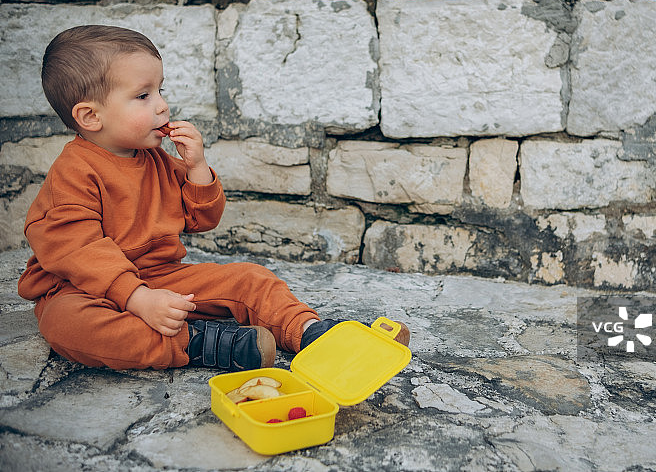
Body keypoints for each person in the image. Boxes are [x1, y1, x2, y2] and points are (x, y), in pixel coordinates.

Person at [17, 25, 409, 371]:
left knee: (250, 278)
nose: (162, 105)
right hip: (82, 288)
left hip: (159, 276)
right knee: (67, 324)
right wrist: (137, 298)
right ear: (90, 117)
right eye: (143, 95)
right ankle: (199, 343)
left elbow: (201, 219)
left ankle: (310, 332)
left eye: (161, 90)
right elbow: (78, 250)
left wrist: (197, 169)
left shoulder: (154, 159)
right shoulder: (75, 172)